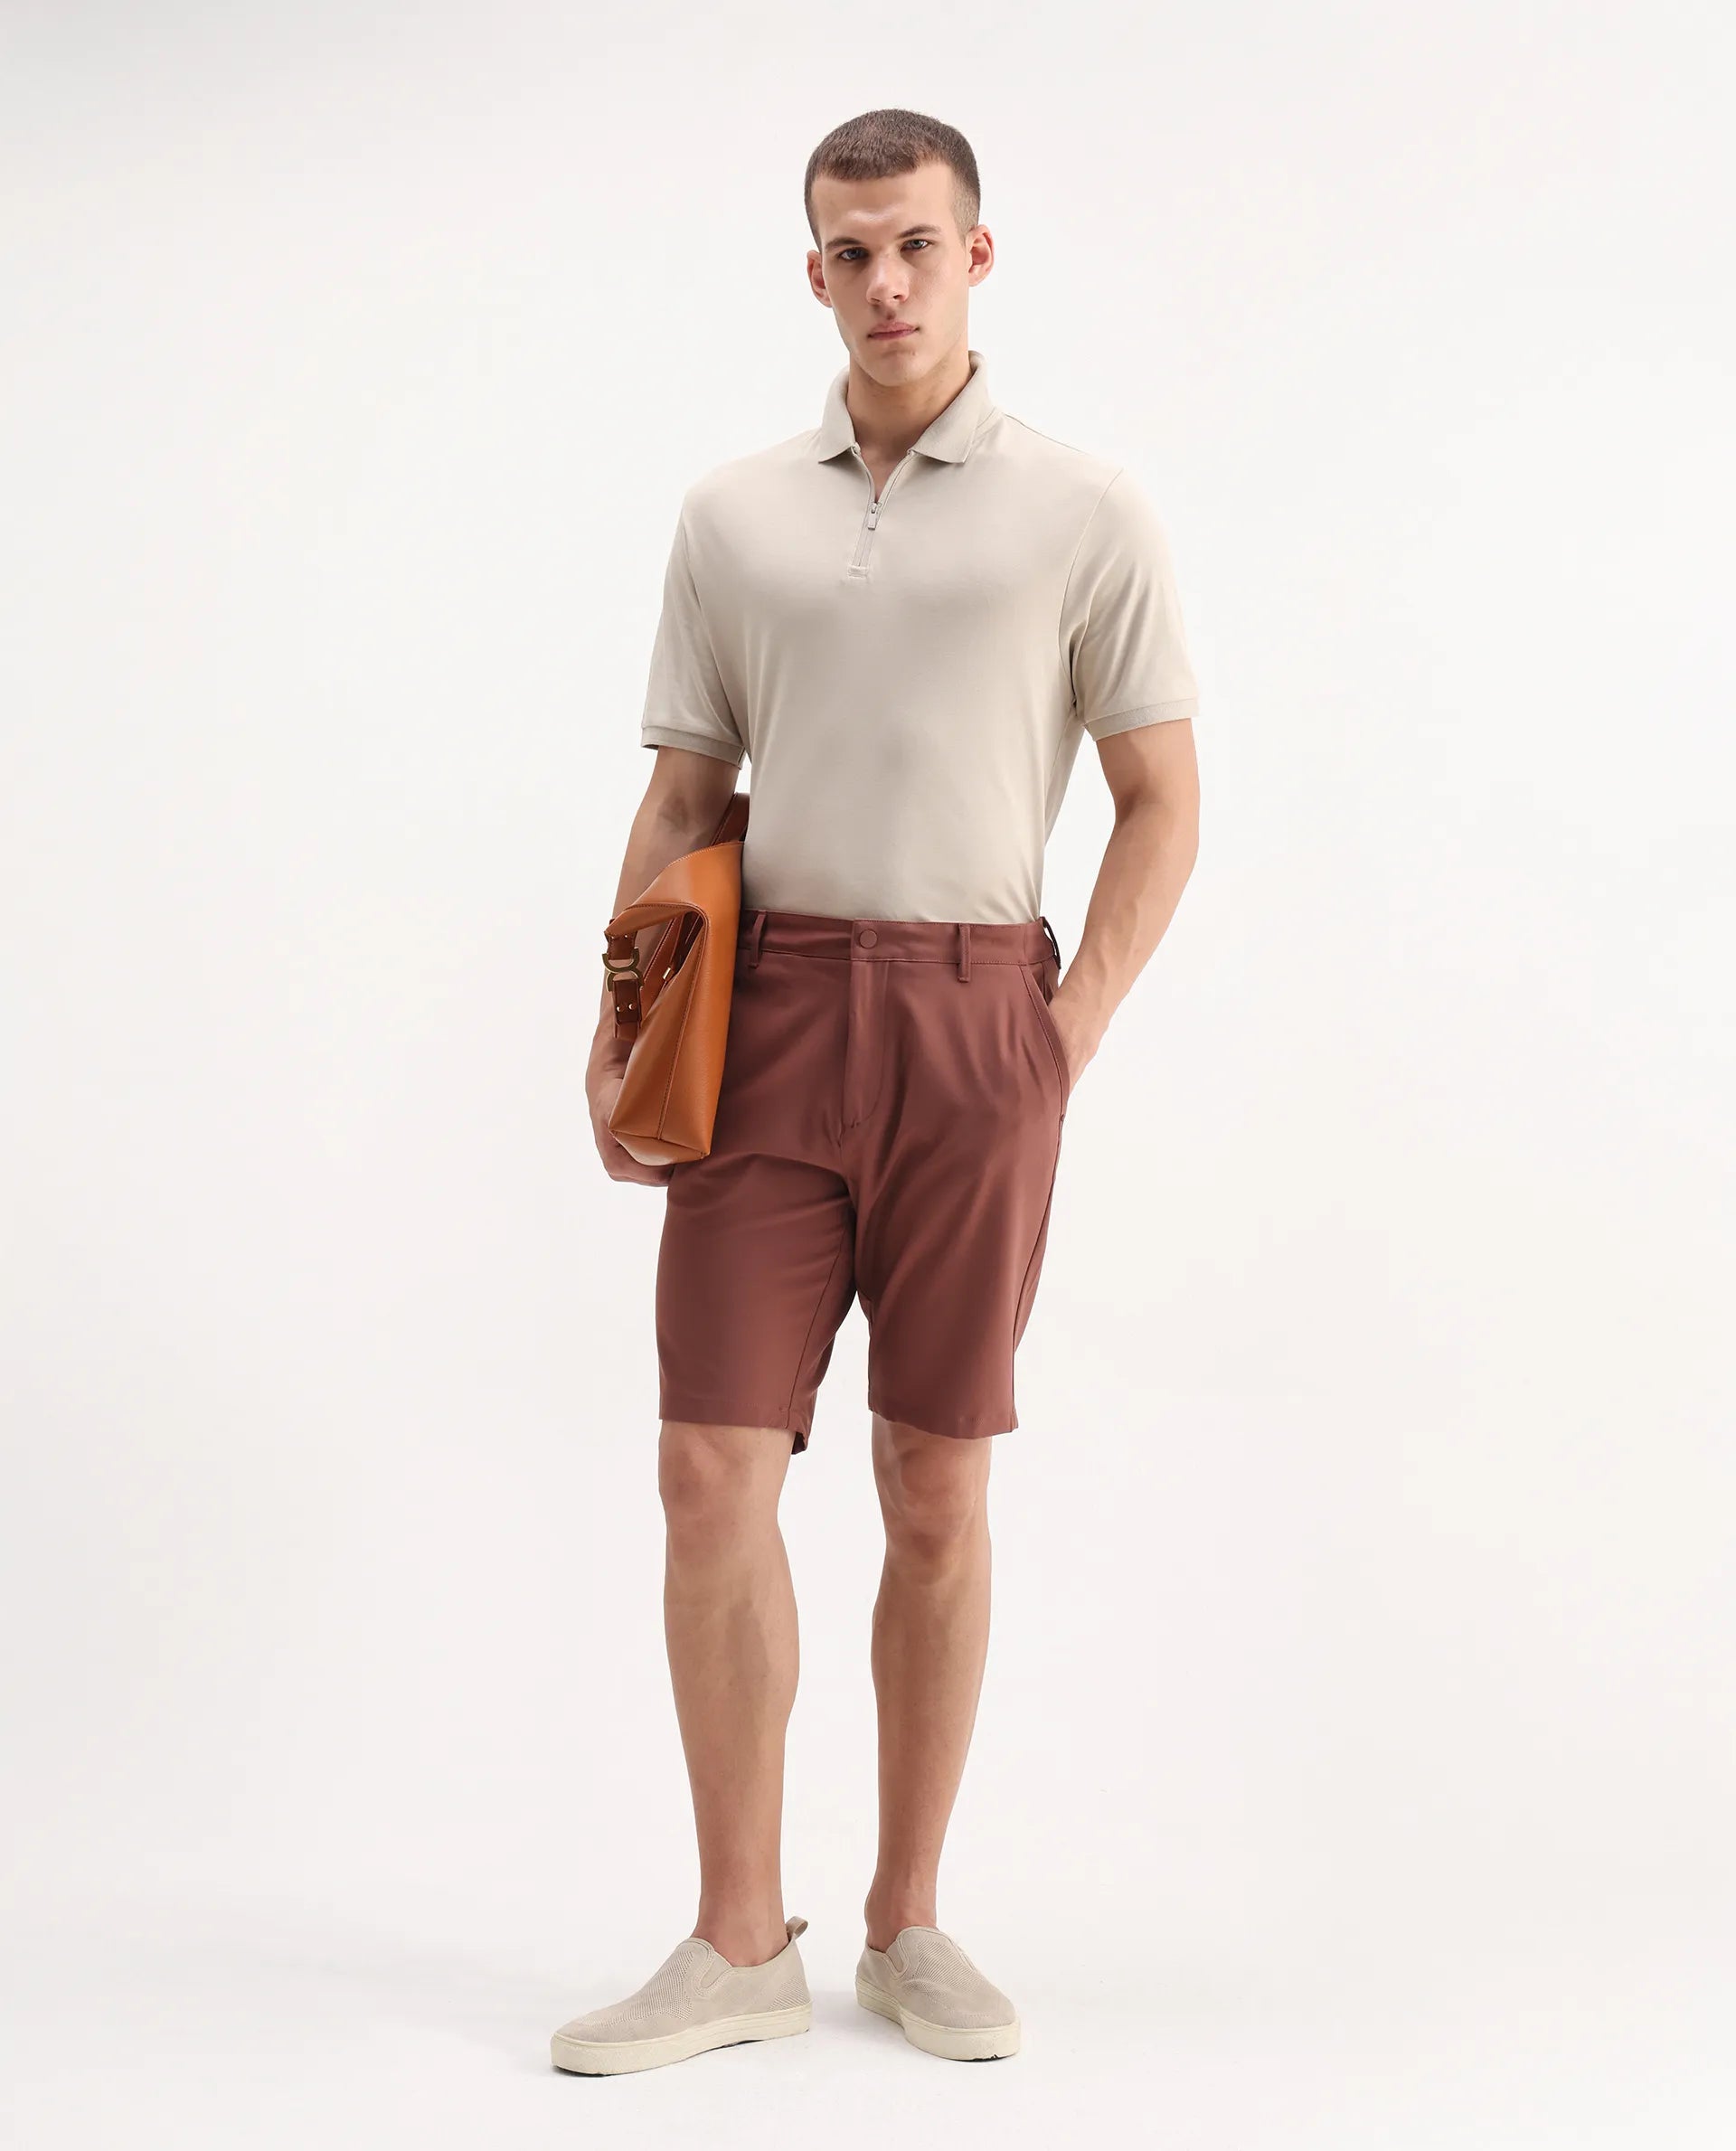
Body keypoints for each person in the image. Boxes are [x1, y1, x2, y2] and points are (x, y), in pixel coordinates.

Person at [554, 106, 1201, 2077]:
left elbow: (1163, 798)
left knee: (937, 1480)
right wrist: (619, 1020)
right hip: (767, 1017)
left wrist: (1062, 1033)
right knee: (706, 1469)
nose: (887, 282)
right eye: (852, 252)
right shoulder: (733, 516)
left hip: (976, 1020)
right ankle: (738, 1937)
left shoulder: (1085, 509)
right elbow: (684, 791)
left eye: (918, 244)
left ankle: (908, 1917)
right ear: (815, 272)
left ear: (977, 256)